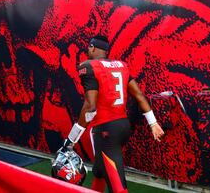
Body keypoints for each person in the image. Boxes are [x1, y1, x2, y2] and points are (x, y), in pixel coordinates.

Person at [61, 35, 164, 192]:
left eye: (88, 48)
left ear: (92, 47)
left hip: (106, 131)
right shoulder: (121, 66)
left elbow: (90, 107)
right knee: (100, 170)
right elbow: (139, 95)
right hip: (123, 127)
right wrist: (153, 123)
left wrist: (71, 139)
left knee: (117, 185)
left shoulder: (89, 66)